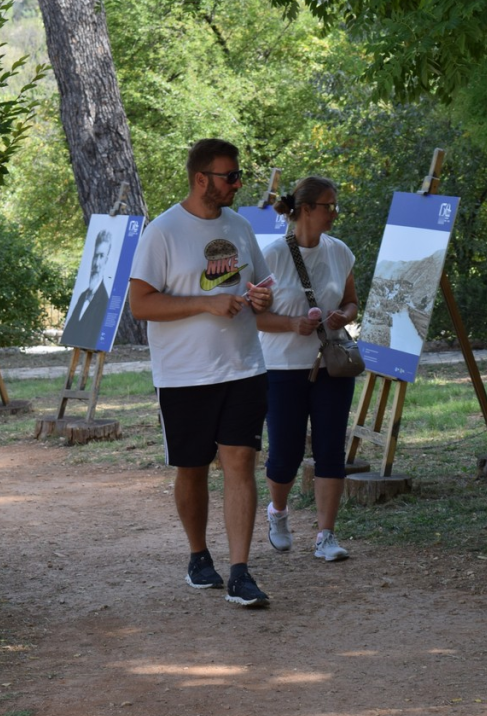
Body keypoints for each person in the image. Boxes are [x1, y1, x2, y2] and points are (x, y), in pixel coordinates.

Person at [128, 138, 275, 608]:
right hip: (185, 374)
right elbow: (140, 303)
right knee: (192, 469)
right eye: (228, 176)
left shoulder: (241, 226)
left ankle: (239, 572)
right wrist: (205, 302)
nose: (237, 184)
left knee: (240, 463)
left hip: (244, 366)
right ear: (200, 179)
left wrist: (260, 298)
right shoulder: (164, 231)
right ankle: (198, 556)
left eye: (237, 175)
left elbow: (259, 283)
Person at [256, 177, 360, 563]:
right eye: (328, 206)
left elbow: (352, 302)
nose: (334, 213)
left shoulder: (340, 251)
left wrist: (341, 315)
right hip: (283, 367)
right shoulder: (271, 255)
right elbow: (255, 317)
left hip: (331, 364)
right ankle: (278, 514)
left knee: (331, 449)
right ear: (304, 209)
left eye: (335, 205)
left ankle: (325, 535)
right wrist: (291, 324)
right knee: (284, 453)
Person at [61, 228, 113, 348]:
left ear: (106, 260)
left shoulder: (105, 301)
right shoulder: (82, 296)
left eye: (101, 256)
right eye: (96, 256)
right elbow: (70, 334)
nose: (96, 263)